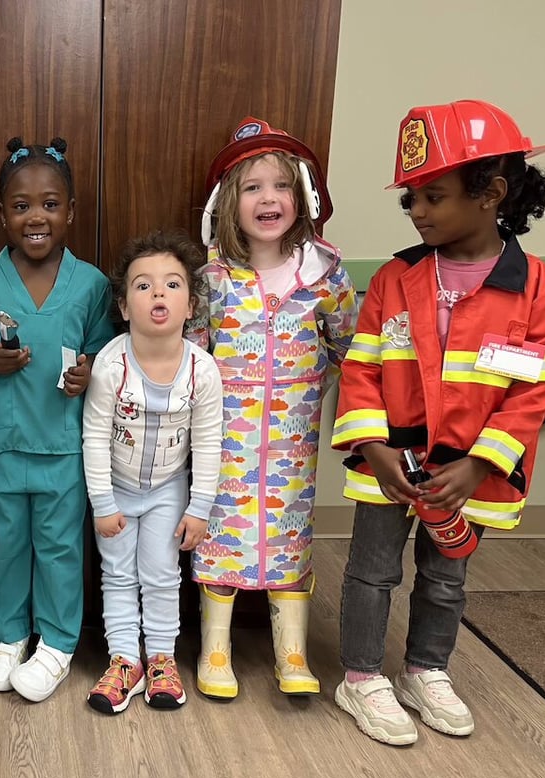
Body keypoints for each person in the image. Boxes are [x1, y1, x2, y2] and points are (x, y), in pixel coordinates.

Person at [331, 100, 545, 745]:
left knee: (445, 575)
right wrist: (373, 449)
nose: (418, 212)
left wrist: (479, 464)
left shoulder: (538, 289)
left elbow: (532, 393)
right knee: (371, 570)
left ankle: (425, 670)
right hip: (393, 466)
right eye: (411, 199)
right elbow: (363, 370)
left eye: (434, 196)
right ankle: (359, 678)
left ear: (490, 193)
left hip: (468, 473)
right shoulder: (393, 280)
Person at [189, 117, 357, 699]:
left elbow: (347, 348)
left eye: (281, 186)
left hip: (292, 440)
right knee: (220, 531)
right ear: (228, 203)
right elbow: (191, 352)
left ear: (303, 197)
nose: (268, 199)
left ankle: (293, 651)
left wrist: (302, 392)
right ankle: (216, 647)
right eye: (253, 187)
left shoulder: (325, 278)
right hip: (224, 439)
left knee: (290, 534)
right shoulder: (212, 279)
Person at [0, 137, 114, 702]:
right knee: (2, 543)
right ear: (2, 214)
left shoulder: (93, 284)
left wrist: (87, 372)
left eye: (50, 204)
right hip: (0, 443)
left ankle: (55, 642)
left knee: (59, 547)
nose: (36, 217)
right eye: (21, 206)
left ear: (70, 212)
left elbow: (107, 356)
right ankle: (5, 637)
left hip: (65, 446)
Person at [82, 231, 223, 714]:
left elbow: (208, 442)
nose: (158, 293)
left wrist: (199, 508)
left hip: (168, 491)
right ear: (124, 306)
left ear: (190, 307)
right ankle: (125, 660)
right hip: (116, 490)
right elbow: (94, 437)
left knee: (162, 575)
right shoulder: (110, 363)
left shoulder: (202, 370)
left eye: (172, 285)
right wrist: (103, 504)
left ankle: (162, 658)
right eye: (143, 286)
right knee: (118, 575)